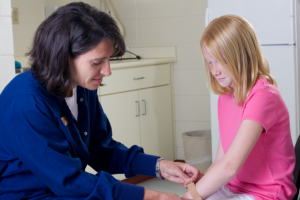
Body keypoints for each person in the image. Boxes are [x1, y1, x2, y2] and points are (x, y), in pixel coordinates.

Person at [0, 2, 201, 200]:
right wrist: (150, 195)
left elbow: (100, 149)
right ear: (63, 57)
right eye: (97, 63)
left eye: (108, 60)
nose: (107, 71)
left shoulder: (82, 87)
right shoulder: (26, 103)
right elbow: (69, 181)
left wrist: (158, 166)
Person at [182, 15, 297, 200]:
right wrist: (199, 189)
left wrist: (189, 197)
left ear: (242, 56)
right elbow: (221, 160)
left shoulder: (263, 96)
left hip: (267, 192)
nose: (214, 70)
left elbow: (229, 167)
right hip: (234, 186)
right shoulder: (226, 96)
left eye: (220, 60)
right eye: (209, 61)